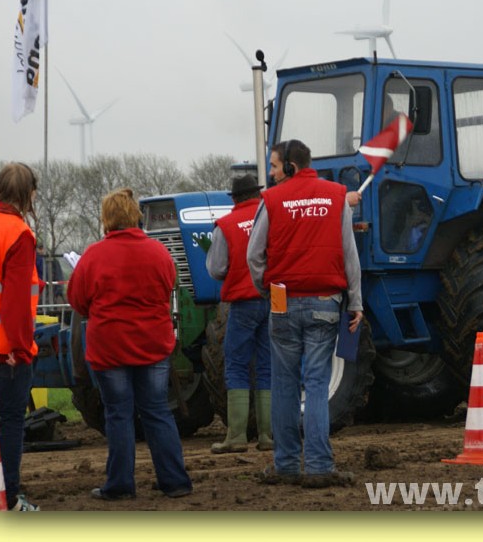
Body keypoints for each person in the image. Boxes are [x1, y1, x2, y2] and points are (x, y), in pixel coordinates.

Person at [247, 139, 363, 488]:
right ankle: (318, 466)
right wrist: (356, 302)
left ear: (291, 167)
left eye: (274, 166)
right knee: (315, 385)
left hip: (282, 301)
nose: (271, 173)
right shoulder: (336, 197)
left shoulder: (271, 200)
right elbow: (349, 254)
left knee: (283, 384)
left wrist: (266, 289)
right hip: (325, 301)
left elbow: (254, 255)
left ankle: (284, 465)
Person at [67, 188, 193, 500]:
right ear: (134, 215)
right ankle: (175, 481)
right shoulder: (158, 252)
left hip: (110, 348)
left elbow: (78, 301)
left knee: (118, 414)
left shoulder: (94, 255)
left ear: (107, 219)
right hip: (152, 344)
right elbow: (168, 286)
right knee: (157, 411)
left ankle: (120, 484)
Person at [0, 162, 42, 511]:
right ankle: (8, 498)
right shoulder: (19, 234)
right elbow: (16, 303)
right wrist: (21, 349)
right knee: (9, 424)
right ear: (28, 194)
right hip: (4, 352)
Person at [205, 175, 272, 453]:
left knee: (236, 365)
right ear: (257, 195)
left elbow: (216, 268)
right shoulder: (272, 217)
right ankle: (268, 436)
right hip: (272, 299)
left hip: (243, 303)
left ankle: (237, 436)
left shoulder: (226, 225)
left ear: (234, 198)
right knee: (267, 365)